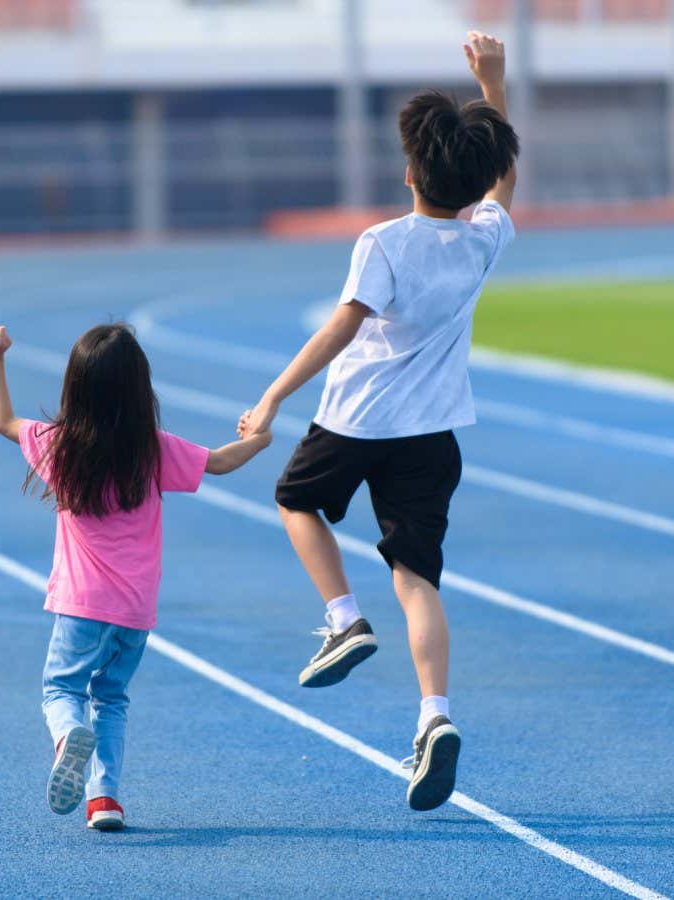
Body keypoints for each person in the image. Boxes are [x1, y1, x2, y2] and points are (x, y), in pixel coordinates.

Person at [237, 32, 520, 812]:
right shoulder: (484, 239)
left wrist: (272, 396)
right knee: (418, 578)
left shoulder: (382, 242)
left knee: (295, 501)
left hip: (356, 422)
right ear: (474, 181)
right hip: (433, 437)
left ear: (408, 173)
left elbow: (342, 327)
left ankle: (342, 620)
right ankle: (436, 715)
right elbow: (504, 180)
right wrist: (493, 84)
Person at [0, 322, 271, 831]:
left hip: (80, 605)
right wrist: (259, 439)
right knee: (110, 698)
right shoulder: (152, 449)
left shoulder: (58, 445)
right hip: (135, 611)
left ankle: (69, 736)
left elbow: (4, 421)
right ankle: (104, 800)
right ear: (140, 390)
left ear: (76, 386)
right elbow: (221, 463)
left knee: (60, 692)